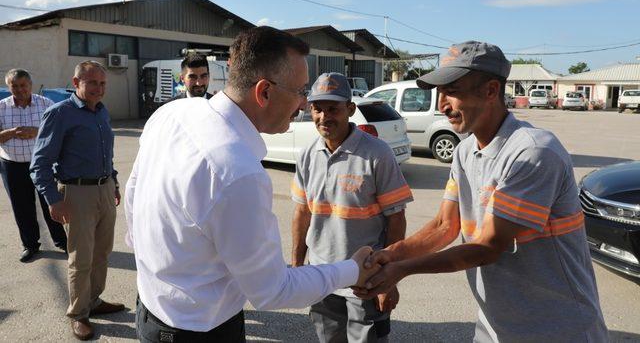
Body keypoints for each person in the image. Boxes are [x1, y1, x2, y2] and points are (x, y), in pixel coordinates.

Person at [125, 26, 379, 342]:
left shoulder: (172, 113)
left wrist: (159, 263)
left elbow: (134, 195)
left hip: (150, 310)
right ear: (265, 92)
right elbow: (273, 291)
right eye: (301, 91)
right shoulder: (236, 172)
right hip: (199, 330)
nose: (304, 105)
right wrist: (352, 270)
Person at [354, 41, 608, 342]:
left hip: (557, 328)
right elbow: (444, 226)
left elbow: (488, 246)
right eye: (439, 94)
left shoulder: (532, 152)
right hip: (496, 327)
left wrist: (402, 269)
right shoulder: (464, 153)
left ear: (490, 91)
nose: (441, 105)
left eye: (452, 91)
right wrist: (389, 255)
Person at [291, 72, 413, 342]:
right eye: (317, 109)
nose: (324, 117)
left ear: (350, 109)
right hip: (321, 277)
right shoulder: (308, 155)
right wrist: (298, 266)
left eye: (333, 108)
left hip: (366, 280)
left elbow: (396, 220)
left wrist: (389, 279)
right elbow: (302, 213)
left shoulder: (377, 153)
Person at [30, 61, 125, 340]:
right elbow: (40, 164)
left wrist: (113, 182)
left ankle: (93, 300)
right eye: (92, 83)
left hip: (104, 189)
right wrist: (53, 200)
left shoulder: (101, 112)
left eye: (103, 83)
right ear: (76, 83)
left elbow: (106, 153)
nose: (99, 89)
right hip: (76, 193)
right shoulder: (60, 114)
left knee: (101, 252)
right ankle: (78, 314)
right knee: (81, 258)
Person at [0, 69, 67, 262]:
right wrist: (12, 132)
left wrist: (37, 131)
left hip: (42, 165)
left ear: (30, 85)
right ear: (9, 86)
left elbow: (59, 132)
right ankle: (30, 245)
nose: (20, 90)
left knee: (51, 203)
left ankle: (62, 241)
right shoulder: (2, 107)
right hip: (12, 165)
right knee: (22, 207)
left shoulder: (46, 104)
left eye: (23, 85)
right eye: (15, 86)